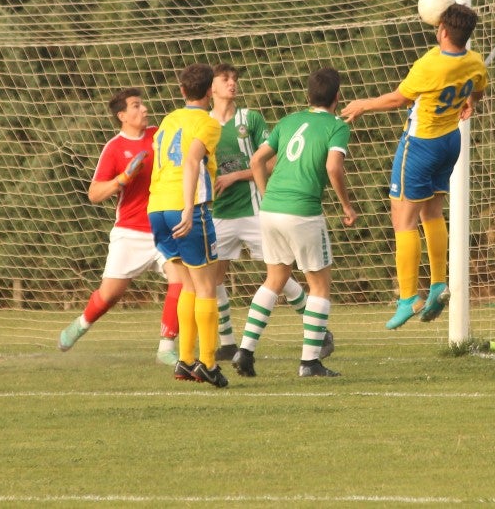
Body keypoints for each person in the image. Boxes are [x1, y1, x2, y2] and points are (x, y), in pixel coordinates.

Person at [340, 2, 486, 330]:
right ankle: (437, 284)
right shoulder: (474, 60)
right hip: (450, 141)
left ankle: (408, 297)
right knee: (432, 213)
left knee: (403, 221)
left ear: (443, 30)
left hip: (421, 144)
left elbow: (399, 99)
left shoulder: (429, 64)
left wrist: (363, 105)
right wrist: (469, 104)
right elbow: (479, 89)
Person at [233, 66, 355, 378]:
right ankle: (310, 363)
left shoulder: (288, 121)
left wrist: (265, 195)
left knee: (274, 279)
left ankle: (244, 351)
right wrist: (346, 205)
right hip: (303, 212)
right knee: (319, 285)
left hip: (271, 209)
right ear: (337, 97)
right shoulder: (336, 125)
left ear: (308, 96)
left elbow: (257, 161)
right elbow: (333, 168)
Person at [58, 87, 183, 365]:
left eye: (143, 105)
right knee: (109, 295)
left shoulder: (158, 136)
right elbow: (94, 194)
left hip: (163, 227)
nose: (144, 110)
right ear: (122, 115)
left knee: (182, 281)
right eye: (136, 106)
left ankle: (166, 347)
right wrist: (122, 179)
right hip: (130, 232)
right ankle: (82, 323)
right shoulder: (114, 148)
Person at [209, 62, 324, 361]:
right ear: (211, 88)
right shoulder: (204, 124)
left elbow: (270, 162)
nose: (232, 83)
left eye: (234, 79)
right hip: (219, 212)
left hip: (255, 210)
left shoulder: (251, 119)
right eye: (225, 79)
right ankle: (228, 343)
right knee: (214, 277)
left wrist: (235, 176)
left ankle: (317, 332)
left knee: (280, 274)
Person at [147, 63, 227, 388]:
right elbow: (192, 160)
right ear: (209, 92)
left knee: (188, 286)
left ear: (182, 91)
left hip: (157, 208)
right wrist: (188, 208)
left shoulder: (168, 120)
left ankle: (185, 359)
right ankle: (208, 363)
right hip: (186, 206)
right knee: (207, 286)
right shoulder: (207, 122)